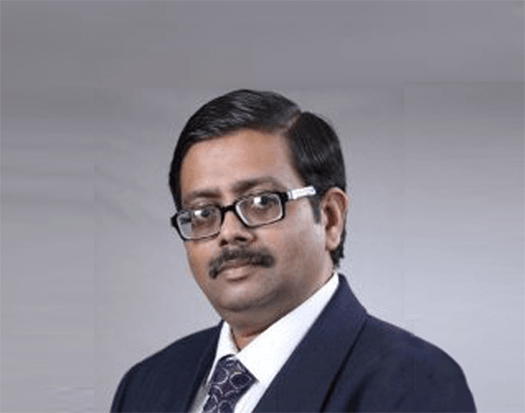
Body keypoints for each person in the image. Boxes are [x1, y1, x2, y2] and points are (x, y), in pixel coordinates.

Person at [111, 90, 476, 412]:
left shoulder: (415, 386)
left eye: (261, 202)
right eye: (203, 213)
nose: (229, 232)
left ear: (330, 218)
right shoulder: (145, 385)